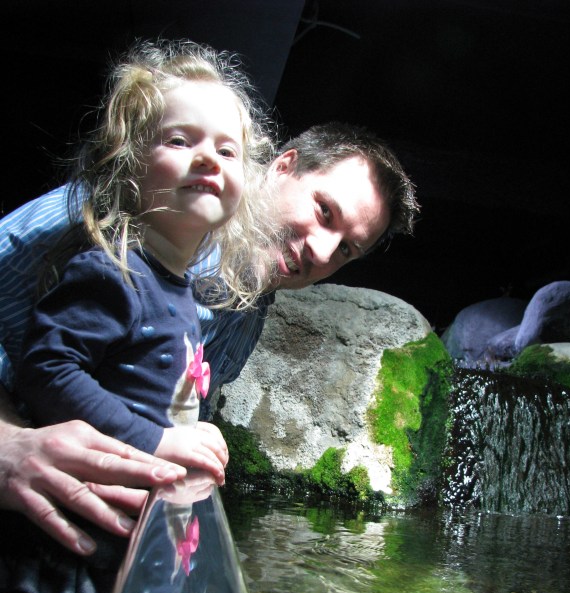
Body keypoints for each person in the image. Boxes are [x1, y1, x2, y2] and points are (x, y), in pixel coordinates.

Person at [0, 38, 277, 593]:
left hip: (117, 543)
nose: (208, 158)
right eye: (179, 140)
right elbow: (45, 370)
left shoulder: (184, 291)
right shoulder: (113, 269)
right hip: (70, 547)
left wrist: (186, 429)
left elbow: (161, 385)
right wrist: (154, 439)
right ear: (129, 161)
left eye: (227, 147)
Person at [0, 122, 419, 556]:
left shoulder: (248, 315)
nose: (324, 252)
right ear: (283, 167)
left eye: (347, 250)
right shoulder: (130, 214)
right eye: (324, 212)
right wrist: (8, 443)